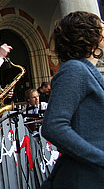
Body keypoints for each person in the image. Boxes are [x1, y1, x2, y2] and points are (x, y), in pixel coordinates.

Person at [41, 11, 104, 189]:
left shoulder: (85, 70)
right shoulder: (74, 70)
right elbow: (54, 127)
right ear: (91, 36)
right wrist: (100, 157)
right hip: (83, 177)